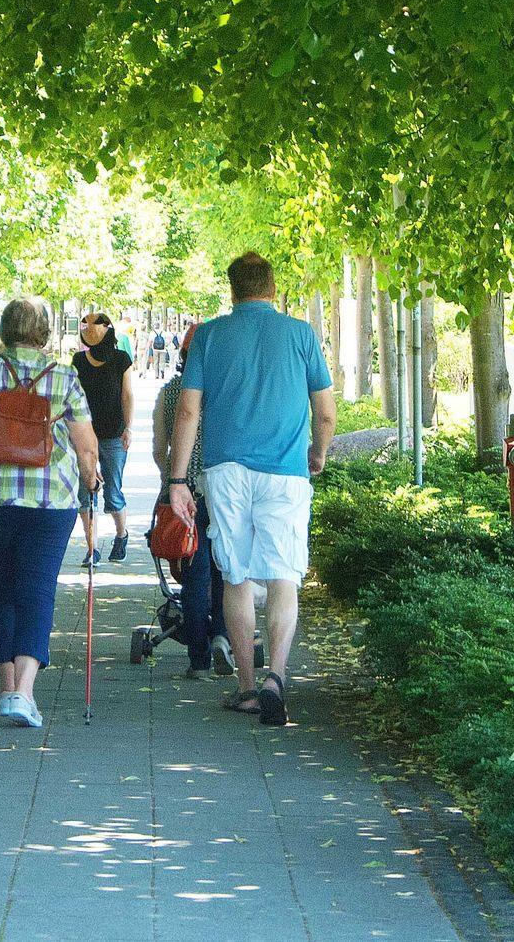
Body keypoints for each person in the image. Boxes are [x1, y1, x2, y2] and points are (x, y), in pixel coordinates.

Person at [166, 253, 335, 726]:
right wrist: (318, 453)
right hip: (285, 471)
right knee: (283, 576)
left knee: (236, 576)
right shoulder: (301, 334)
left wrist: (177, 480)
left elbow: (188, 411)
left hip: (225, 471)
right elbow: (325, 412)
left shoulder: (210, 336)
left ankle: (245, 687)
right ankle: (276, 677)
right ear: (273, 289)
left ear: (232, 290)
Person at [0, 296, 101, 729]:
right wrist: (92, 480)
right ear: (45, 333)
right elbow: (86, 445)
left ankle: (6, 687)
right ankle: (25, 693)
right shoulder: (65, 377)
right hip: (50, 502)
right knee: (37, 589)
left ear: (4, 330)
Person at [152, 322, 224, 676]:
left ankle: (199, 658)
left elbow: (159, 447)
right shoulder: (225, 392)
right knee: (226, 570)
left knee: (194, 574)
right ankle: (224, 636)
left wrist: (170, 477)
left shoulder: (169, 393)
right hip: (223, 488)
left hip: (183, 493)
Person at [72, 313, 134, 563]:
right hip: (84, 434)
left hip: (113, 433)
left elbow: (127, 395)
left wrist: (128, 427)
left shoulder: (121, 359)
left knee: (113, 492)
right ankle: (92, 548)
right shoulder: (78, 360)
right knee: (85, 491)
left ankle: (121, 535)